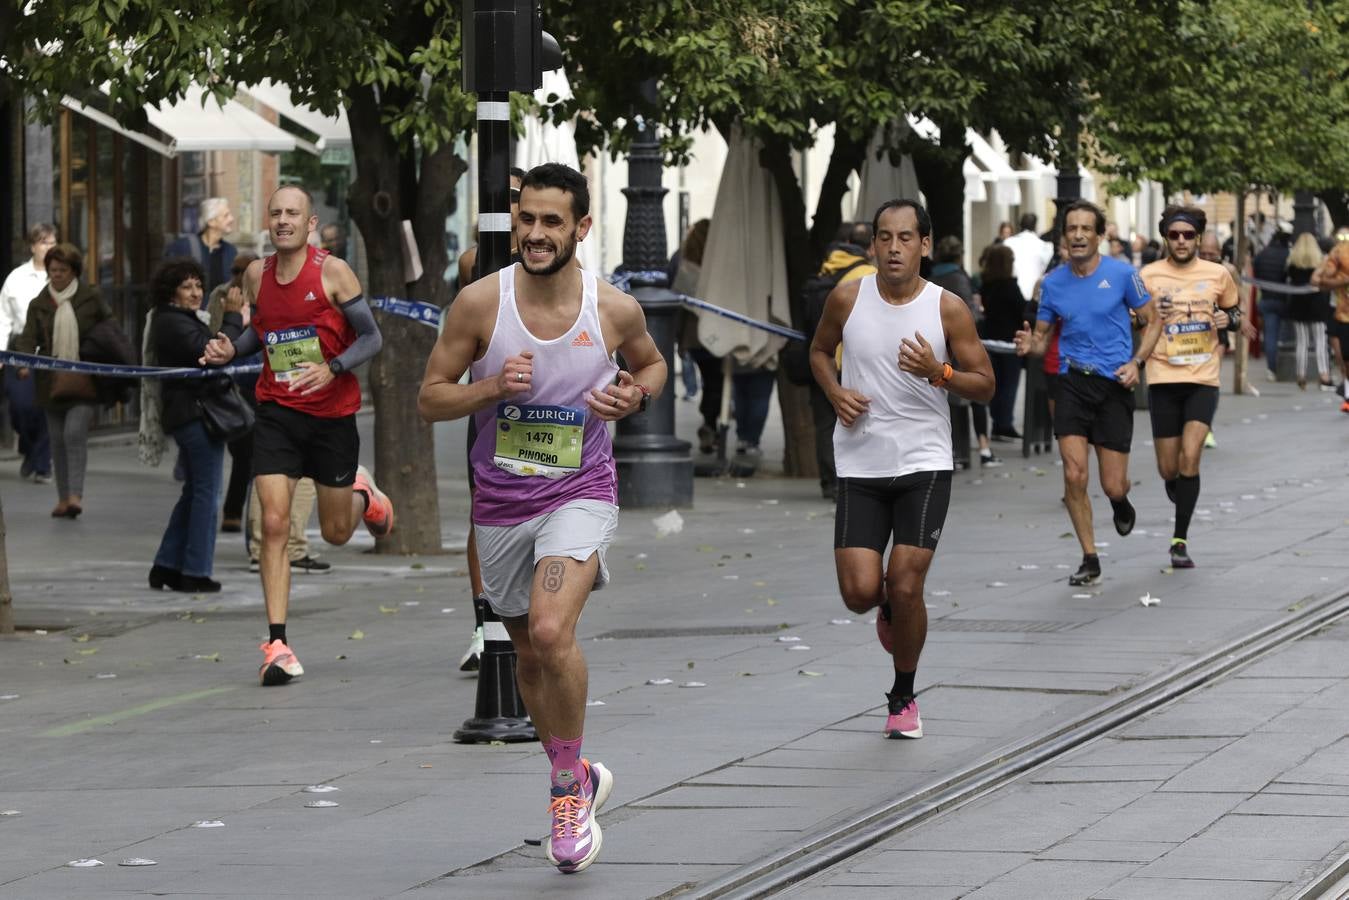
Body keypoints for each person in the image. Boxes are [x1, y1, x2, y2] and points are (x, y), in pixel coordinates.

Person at [418, 162, 666, 875]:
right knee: (528, 654)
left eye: (551, 221)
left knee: (553, 630)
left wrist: (635, 397)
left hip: (580, 491)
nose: (534, 233)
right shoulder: (479, 304)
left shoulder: (613, 309)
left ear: (580, 227)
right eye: (525, 218)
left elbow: (651, 366)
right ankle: (577, 771)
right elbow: (430, 397)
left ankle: (564, 791)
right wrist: (492, 387)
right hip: (500, 504)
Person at [810, 199, 995, 741]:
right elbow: (819, 352)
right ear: (872, 245)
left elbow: (985, 384)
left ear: (925, 245)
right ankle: (889, 604)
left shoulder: (947, 308)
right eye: (885, 237)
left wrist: (940, 372)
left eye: (906, 237)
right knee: (860, 593)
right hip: (861, 460)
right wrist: (835, 392)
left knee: (907, 582)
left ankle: (903, 695)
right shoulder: (847, 297)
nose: (894, 248)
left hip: (924, 461)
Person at [200, 185, 393, 687]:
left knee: (335, 533)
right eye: (276, 213)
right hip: (277, 411)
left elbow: (372, 337)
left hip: (332, 416)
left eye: (293, 213)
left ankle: (364, 493)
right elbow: (260, 332)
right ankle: (278, 644)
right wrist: (231, 350)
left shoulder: (333, 272)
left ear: (310, 224)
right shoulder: (255, 274)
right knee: (274, 523)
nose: (283, 220)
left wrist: (332, 368)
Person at [1014, 201, 1162, 586]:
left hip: (1113, 384)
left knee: (1112, 483)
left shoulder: (1123, 274)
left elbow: (1153, 321)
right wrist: (1030, 345)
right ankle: (1089, 556)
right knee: (1074, 473)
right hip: (1071, 382)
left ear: (1099, 235)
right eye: (1071, 229)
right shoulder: (1053, 284)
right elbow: (1041, 339)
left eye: (1085, 229)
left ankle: (1119, 501)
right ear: (1064, 236)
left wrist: (1137, 363)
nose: (1078, 235)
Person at [1139, 206, 1248, 569]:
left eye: (1188, 235)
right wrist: (1147, 314)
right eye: (1174, 235)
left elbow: (1236, 313)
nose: (1182, 241)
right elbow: (1133, 318)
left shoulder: (1218, 274)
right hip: (1162, 377)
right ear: (1166, 239)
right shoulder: (1148, 275)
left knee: (1191, 456)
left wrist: (1227, 319)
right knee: (1168, 468)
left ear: (1198, 238)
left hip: (1203, 377)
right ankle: (1179, 487)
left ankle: (1179, 540)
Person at [146, 259, 245, 592]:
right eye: (186, 287)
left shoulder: (182, 319)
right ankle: (196, 571)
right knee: (207, 492)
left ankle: (167, 565)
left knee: (194, 491)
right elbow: (212, 352)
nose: (195, 293)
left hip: (192, 413)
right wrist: (233, 318)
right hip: (194, 415)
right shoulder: (172, 321)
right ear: (170, 292)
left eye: (198, 286)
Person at [13, 244, 113, 518]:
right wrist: (23, 362)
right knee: (57, 439)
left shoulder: (90, 298)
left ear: (74, 271)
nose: (56, 275)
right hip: (51, 382)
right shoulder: (39, 303)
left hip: (85, 379)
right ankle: (63, 498)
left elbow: (110, 330)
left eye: (62, 270)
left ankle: (75, 496)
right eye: (53, 270)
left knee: (73, 433)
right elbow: (27, 338)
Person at [931, 235, 996, 468]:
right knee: (974, 391)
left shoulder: (930, 278)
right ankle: (983, 448)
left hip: (937, 346)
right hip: (960, 345)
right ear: (960, 256)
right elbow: (971, 314)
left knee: (948, 397)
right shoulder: (959, 279)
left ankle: (955, 451)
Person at [0, 223, 57, 483]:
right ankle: (28, 448)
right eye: (44, 242)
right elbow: (4, 318)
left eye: (52, 242)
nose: (49, 247)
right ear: (33, 246)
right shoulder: (16, 278)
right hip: (20, 348)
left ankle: (43, 465)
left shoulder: (60, 276)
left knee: (46, 407)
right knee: (20, 406)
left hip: (50, 349)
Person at [207, 253, 260, 533]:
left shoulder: (268, 294)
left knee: (251, 455)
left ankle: (241, 514)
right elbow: (213, 333)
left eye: (244, 270)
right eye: (235, 270)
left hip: (259, 381)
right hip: (231, 381)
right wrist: (233, 315)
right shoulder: (221, 295)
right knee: (242, 451)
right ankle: (234, 512)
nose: (238, 276)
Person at [978, 244, 1027, 445]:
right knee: (1009, 385)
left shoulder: (986, 285)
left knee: (996, 384)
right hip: (1009, 343)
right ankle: (1004, 424)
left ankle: (997, 422)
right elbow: (1022, 311)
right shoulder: (1010, 286)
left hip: (989, 340)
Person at [1286, 233, 1332, 391]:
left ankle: (1301, 376)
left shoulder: (1292, 265)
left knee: (1301, 342)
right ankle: (1324, 375)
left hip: (1298, 305)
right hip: (1317, 305)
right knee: (1320, 342)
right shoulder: (1320, 262)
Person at [1311, 227, 1349, 413]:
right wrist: (1340, 281)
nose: (1344, 240)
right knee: (1342, 355)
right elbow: (1316, 280)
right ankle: (1347, 391)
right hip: (1338, 313)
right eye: (1341, 237)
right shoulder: (1331, 259)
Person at [166, 198, 238, 294]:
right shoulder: (183, 247)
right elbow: (168, 284)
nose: (231, 219)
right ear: (211, 222)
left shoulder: (231, 252)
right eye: (226, 216)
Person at [1253, 231, 1292, 381]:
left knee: (1270, 336)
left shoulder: (1262, 254)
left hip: (1267, 299)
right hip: (1285, 300)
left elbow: (1256, 273)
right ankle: (1286, 368)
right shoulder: (1288, 254)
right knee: (1285, 336)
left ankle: (1272, 369)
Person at [1003, 213, 1053, 304]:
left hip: (1013, 295)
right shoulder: (1045, 246)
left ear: (1020, 225)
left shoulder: (1007, 243)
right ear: (1035, 226)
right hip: (1034, 296)